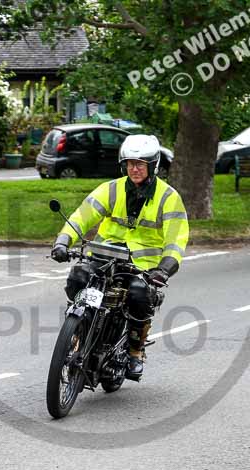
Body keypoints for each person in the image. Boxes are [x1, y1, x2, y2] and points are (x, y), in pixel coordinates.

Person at [51, 135, 189, 380]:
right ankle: (77, 330)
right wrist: (63, 242)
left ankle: (135, 352)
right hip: (104, 256)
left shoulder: (169, 198)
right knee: (78, 277)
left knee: (138, 294)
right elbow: (81, 217)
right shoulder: (110, 189)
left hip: (142, 265)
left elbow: (176, 242)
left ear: (153, 165)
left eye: (140, 163)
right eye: (129, 163)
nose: (134, 168)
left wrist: (164, 270)